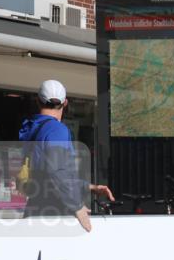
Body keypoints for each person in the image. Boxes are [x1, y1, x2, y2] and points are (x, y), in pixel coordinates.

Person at [18, 80, 113, 232]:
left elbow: (47, 176)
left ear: (38, 101)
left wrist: (89, 187)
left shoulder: (32, 128)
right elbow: (56, 171)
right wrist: (77, 207)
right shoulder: (56, 130)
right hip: (55, 214)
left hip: (35, 209)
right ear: (65, 103)